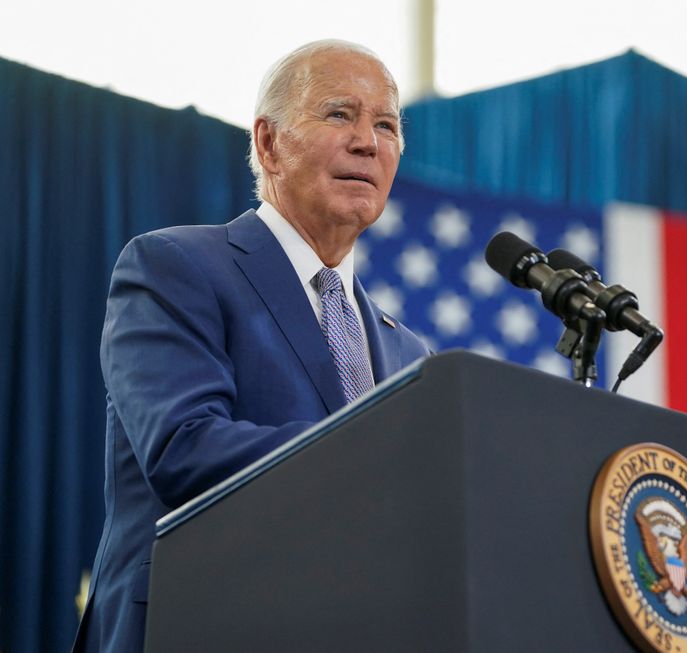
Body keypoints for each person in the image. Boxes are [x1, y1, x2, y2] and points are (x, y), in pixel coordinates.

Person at [73, 40, 429, 652]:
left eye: (387, 125)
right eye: (340, 114)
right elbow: (184, 447)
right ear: (268, 143)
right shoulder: (176, 266)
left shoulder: (410, 353)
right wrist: (382, 459)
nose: (368, 142)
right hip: (194, 623)